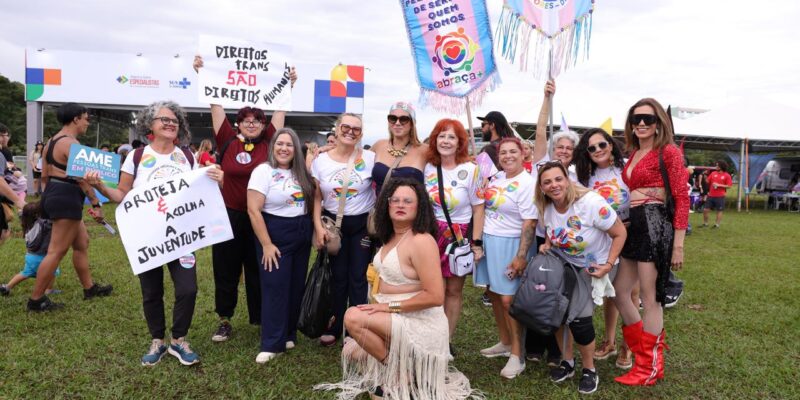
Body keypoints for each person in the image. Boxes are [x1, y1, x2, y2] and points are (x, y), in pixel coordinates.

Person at [86, 100, 224, 366]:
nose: (170, 124)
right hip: (147, 237)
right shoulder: (136, 157)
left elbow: (198, 190)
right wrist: (101, 186)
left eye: (174, 121)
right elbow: (121, 195)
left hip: (181, 236)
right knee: (151, 291)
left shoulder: (187, 156)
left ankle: (179, 340)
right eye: (164, 119)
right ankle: (158, 341)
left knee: (188, 288)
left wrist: (215, 178)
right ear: (150, 124)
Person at [315, 178, 477, 400]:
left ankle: (403, 374)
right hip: (395, 317)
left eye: (408, 201)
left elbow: (436, 296)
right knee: (351, 351)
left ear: (419, 207)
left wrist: (387, 307)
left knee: (352, 317)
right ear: (387, 205)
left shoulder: (422, 240)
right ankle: (400, 366)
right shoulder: (390, 238)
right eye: (395, 200)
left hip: (420, 322)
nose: (400, 205)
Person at [194, 55, 297, 342]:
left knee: (258, 267)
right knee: (225, 268)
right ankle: (224, 319)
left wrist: (287, 83)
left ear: (264, 126)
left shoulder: (270, 142)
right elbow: (215, 103)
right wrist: (204, 72)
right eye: (246, 120)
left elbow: (280, 108)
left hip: (261, 216)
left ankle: (262, 318)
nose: (251, 124)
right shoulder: (226, 138)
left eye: (257, 121)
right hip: (228, 213)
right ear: (238, 124)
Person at [536, 160, 627, 394]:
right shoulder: (546, 207)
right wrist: (547, 245)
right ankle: (568, 362)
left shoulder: (591, 203)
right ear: (542, 187)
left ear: (567, 179)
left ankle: (589, 369)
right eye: (547, 182)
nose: (554, 185)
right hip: (564, 265)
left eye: (558, 179)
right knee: (557, 311)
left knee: (580, 318)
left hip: (594, 267)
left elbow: (620, 233)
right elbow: (552, 232)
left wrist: (608, 264)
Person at [615, 98, 689, 386]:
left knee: (650, 298)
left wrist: (678, 244)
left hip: (656, 224)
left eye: (648, 118)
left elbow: (682, 198)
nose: (642, 124)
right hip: (635, 224)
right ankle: (641, 356)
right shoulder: (633, 152)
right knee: (621, 291)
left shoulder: (668, 152)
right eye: (637, 119)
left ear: (659, 122)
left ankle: (649, 367)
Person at [27, 103, 112, 312]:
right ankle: (36, 300)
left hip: (54, 194)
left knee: (81, 242)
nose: (87, 123)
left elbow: (44, 176)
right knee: (56, 251)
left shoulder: (51, 142)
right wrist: (95, 202)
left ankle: (89, 288)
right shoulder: (72, 145)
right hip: (66, 196)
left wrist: (50, 198)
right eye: (86, 118)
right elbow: (83, 179)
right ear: (75, 119)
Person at [247, 127, 316, 363]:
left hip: (301, 233)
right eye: (280, 143)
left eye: (289, 144)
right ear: (272, 146)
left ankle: (288, 333)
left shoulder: (301, 173)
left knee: (295, 286)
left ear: (296, 148)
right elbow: (253, 210)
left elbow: (314, 200)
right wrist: (266, 244)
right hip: (275, 233)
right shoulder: (263, 171)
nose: (284, 148)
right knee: (275, 286)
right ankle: (271, 342)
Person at [573, 128, 639, 369]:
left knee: (631, 293)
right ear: (587, 153)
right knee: (611, 291)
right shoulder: (584, 177)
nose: (598, 150)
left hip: (630, 236)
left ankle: (627, 346)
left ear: (611, 145)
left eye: (602, 145)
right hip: (602, 240)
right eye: (592, 148)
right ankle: (609, 341)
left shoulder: (626, 171)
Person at [525, 79, 579, 365]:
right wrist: (547, 99)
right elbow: (538, 131)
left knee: (561, 295)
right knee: (539, 289)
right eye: (561, 146)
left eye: (570, 148)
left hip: (568, 244)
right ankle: (536, 343)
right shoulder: (542, 166)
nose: (564, 151)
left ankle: (559, 350)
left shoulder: (578, 177)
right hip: (542, 240)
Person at [312, 113, 376, 347]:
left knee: (358, 277)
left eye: (356, 129)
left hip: (362, 226)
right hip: (333, 226)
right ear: (337, 130)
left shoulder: (370, 157)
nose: (350, 132)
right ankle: (334, 323)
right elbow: (316, 197)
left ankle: (354, 329)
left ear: (361, 133)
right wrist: (318, 226)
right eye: (346, 127)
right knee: (337, 277)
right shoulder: (320, 160)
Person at [476, 138, 537, 379]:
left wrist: (521, 256)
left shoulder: (528, 183)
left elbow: (530, 222)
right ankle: (504, 341)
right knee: (493, 293)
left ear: (523, 155)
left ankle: (517, 354)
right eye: (503, 152)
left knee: (508, 300)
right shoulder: (496, 178)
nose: (508, 156)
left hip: (512, 244)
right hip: (490, 241)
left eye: (513, 151)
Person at [423, 119, 485, 356]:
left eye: (452, 137)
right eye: (441, 136)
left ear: (460, 143)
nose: (446, 141)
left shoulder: (471, 169)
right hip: (429, 234)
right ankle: (429, 336)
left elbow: (479, 208)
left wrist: (476, 243)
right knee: (432, 290)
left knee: (453, 291)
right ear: (434, 139)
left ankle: (445, 341)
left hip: (458, 236)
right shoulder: (426, 167)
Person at [0, 202, 60, 296]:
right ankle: (48, 289)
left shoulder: (26, 223)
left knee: (25, 273)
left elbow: (21, 214)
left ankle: (7, 287)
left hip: (30, 256)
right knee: (52, 271)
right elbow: (53, 221)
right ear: (37, 215)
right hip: (42, 256)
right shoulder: (43, 224)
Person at [370, 102, 427, 195]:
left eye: (403, 119)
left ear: (412, 123)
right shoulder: (379, 145)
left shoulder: (424, 150)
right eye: (393, 118)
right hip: (380, 208)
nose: (397, 123)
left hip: (411, 208)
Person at [702, 160, 732, 228]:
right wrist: (704, 175)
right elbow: (707, 181)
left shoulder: (727, 175)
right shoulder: (713, 173)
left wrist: (719, 185)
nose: (716, 166)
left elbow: (729, 186)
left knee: (719, 210)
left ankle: (717, 225)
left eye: (717, 165)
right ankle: (705, 224)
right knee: (705, 210)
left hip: (720, 196)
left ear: (721, 167)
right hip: (711, 195)